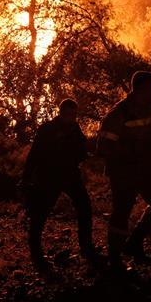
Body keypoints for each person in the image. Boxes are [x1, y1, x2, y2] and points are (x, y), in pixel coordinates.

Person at [98, 71, 151, 272]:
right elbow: (104, 146)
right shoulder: (118, 113)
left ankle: (135, 242)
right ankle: (114, 258)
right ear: (139, 89)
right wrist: (132, 150)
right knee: (122, 212)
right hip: (124, 170)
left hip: (147, 166)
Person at [21, 98, 98, 274]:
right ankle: (36, 252)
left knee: (85, 208)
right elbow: (34, 154)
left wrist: (83, 153)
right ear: (61, 112)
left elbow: (82, 151)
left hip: (70, 176)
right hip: (49, 177)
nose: (72, 117)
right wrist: (26, 177)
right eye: (69, 114)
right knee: (40, 214)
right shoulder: (47, 129)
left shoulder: (75, 129)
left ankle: (86, 246)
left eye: (74, 114)